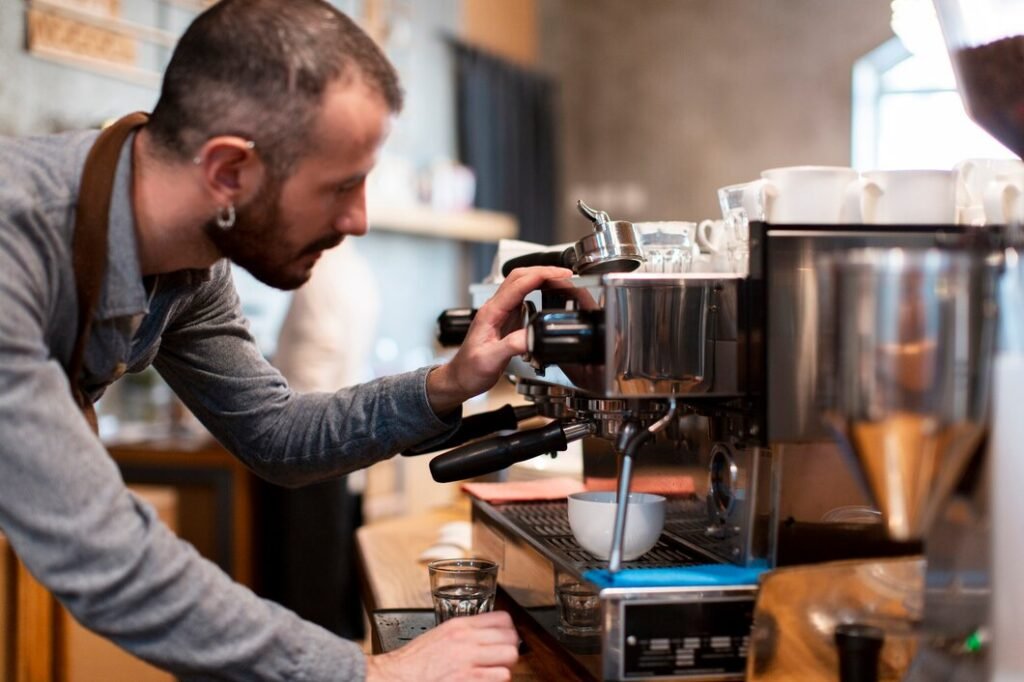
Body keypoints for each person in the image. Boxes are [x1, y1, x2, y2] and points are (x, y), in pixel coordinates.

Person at [0, 1, 571, 680]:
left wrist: (450, 381)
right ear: (227, 173)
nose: (359, 220)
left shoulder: (189, 271)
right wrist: (369, 676)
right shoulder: (15, 236)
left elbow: (276, 432)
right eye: (342, 186)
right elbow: (108, 556)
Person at [265, 241, 381, 640]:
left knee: (307, 594)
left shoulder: (319, 273)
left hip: (309, 448)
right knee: (331, 587)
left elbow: (309, 376)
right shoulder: (355, 269)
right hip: (338, 444)